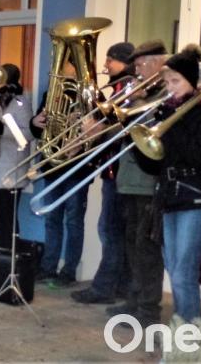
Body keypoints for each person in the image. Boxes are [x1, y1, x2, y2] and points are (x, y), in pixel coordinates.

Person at [151, 44, 201, 323]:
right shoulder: (170, 111)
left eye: (175, 81)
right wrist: (141, 141)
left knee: (184, 272)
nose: (169, 87)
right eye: (167, 81)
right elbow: (154, 163)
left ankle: (188, 338)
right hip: (171, 197)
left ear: (193, 82)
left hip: (198, 199)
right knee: (174, 269)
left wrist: (170, 125)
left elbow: (199, 154)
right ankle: (184, 330)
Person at [106, 39, 169, 328]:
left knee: (146, 249)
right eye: (137, 64)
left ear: (159, 62)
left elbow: (152, 132)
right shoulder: (138, 92)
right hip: (128, 180)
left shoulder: (165, 93)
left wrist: (138, 100)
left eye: (143, 63)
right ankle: (134, 299)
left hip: (147, 182)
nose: (138, 69)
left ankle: (148, 310)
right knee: (132, 244)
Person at [72, 42, 135, 304]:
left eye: (110, 60)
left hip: (120, 171)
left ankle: (105, 287)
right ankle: (120, 285)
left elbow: (124, 128)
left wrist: (96, 131)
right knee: (113, 230)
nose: (106, 65)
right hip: (113, 170)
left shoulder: (128, 89)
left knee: (109, 229)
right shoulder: (116, 89)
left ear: (123, 62)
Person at [30, 60, 94, 289]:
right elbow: (38, 128)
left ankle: (69, 271)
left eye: (69, 74)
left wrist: (81, 127)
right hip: (53, 166)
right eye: (62, 73)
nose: (65, 78)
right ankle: (48, 267)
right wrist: (35, 122)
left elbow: (100, 132)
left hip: (77, 169)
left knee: (74, 221)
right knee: (51, 219)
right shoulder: (51, 94)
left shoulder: (90, 97)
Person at [0, 64, 34, 248]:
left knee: (8, 214)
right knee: (1, 212)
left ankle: (9, 251)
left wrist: (2, 129)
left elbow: (26, 136)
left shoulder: (21, 102)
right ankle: (3, 249)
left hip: (14, 167)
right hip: (1, 166)